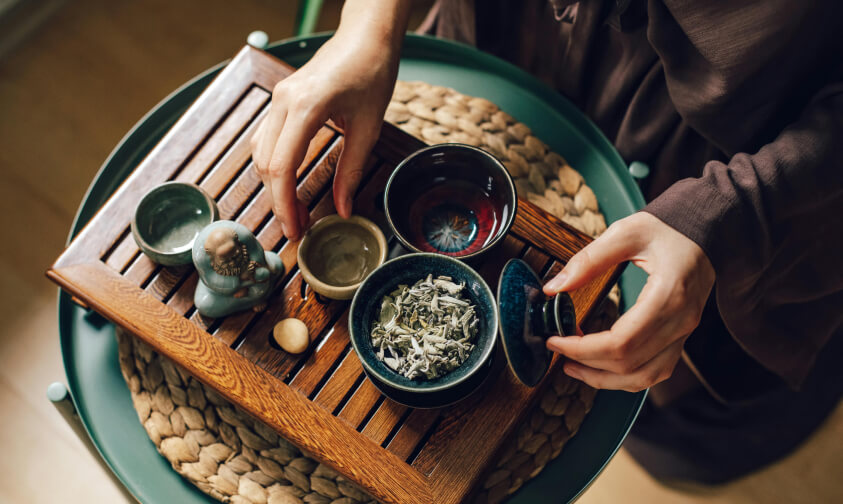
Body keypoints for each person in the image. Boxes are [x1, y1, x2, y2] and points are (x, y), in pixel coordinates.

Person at [251, 0, 843, 484]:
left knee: (685, 444)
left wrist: (730, 211)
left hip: (758, 177)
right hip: (501, 46)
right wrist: (369, 25)